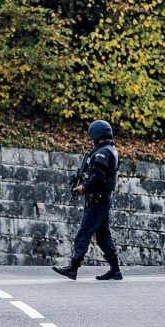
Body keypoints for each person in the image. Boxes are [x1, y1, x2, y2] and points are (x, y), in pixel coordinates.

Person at [52, 120, 122, 281]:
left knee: (84, 233)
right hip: (102, 198)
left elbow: (98, 177)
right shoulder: (110, 150)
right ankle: (115, 270)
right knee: (103, 235)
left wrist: (84, 187)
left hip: (97, 199)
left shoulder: (102, 153)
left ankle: (73, 268)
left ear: (95, 134)